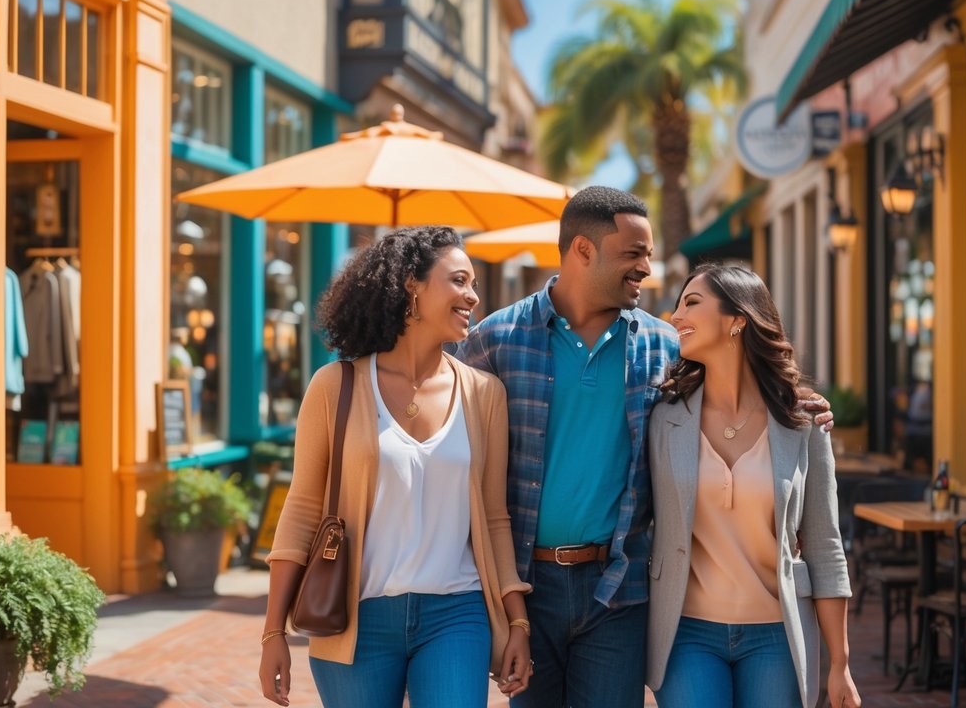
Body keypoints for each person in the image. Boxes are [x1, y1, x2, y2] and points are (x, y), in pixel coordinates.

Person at [454, 187, 835, 708]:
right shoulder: (496, 339)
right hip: (526, 586)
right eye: (633, 255)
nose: (646, 270)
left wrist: (798, 402)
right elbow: (455, 448)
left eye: (649, 256)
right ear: (582, 250)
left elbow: (738, 377)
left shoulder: (666, 347)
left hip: (621, 587)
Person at [258, 226, 532, 708]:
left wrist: (516, 621)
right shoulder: (334, 386)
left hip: (457, 613)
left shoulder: (485, 395)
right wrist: (272, 632)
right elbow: (301, 509)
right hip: (356, 618)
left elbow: (493, 518)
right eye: (460, 281)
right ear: (412, 286)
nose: (473, 295)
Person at [646, 263, 861, 708]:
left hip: (777, 635)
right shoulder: (663, 417)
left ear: (738, 320)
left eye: (692, 303)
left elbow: (824, 544)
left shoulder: (801, 424)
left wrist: (840, 663)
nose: (675, 316)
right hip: (687, 633)